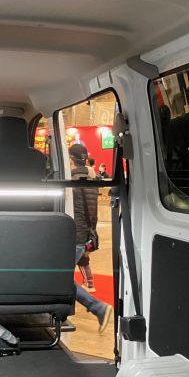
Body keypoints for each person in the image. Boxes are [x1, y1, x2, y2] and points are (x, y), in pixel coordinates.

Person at [70, 143, 113, 333]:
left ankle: (98, 307)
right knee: (60, 276)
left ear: (70, 159)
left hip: (73, 235)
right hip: (84, 235)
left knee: (59, 277)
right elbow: (92, 213)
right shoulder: (91, 181)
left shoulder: (71, 181)